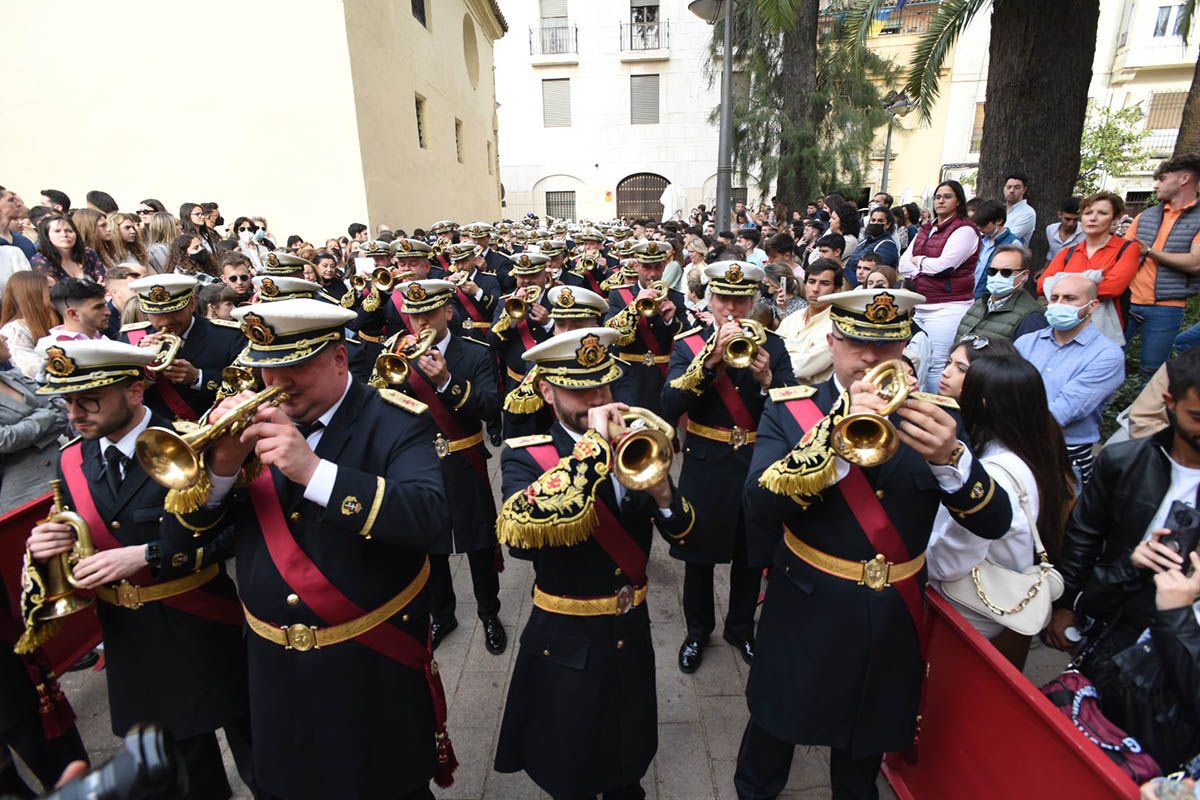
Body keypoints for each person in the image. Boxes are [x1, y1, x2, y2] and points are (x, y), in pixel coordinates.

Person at [165, 298, 453, 799]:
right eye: (265, 369)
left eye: (293, 366)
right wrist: (221, 469)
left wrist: (315, 473)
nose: (275, 384)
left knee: (390, 785)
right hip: (276, 667)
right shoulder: (245, 428)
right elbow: (180, 541)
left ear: (339, 358)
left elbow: (429, 519)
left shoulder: (397, 420)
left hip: (370, 661)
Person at [736, 287, 1013, 799]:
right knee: (773, 733)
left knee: (861, 754)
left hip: (889, 619)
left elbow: (995, 522)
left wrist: (952, 460)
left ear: (905, 344)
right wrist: (831, 445)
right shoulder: (791, 413)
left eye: (885, 346)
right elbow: (758, 506)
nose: (869, 358)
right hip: (806, 607)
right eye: (855, 342)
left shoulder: (937, 420)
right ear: (832, 340)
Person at [23, 339, 254, 800]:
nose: (75, 414)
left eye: (89, 400)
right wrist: (49, 546)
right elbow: (83, 535)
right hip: (132, 641)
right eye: (68, 401)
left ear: (134, 390)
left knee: (260, 757)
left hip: (204, 624)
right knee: (188, 778)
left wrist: (148, 554)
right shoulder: (72, 458)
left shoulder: (190, 443)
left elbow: (235, 534)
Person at [494, 326, 696, 799]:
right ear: (546, 390)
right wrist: (591, 450)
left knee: (630, 745)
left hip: (631, 625)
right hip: (566, 635)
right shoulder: (528, 456)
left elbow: (687, 533)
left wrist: (664, 492)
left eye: (603, 385)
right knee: (572, 760)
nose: (596, 399)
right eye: (579, 390)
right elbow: (521, 541)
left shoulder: (635, 439)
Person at [1053, 347, 1200, 770]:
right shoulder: (1123, 462)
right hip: (1113, 627)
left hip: (1183, 653)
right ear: (1169, 403)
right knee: (1086, 739)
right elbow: (1083, 537)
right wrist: (1066, 606)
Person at [661, 261, 795, 673]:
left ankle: (740, 627)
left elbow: (793, 410)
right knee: (699, 555)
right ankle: (697, 630)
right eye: (724, 299)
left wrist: (769, 378)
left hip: (755, 462)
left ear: (753, 301)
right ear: (709, 299)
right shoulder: (688, 344)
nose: (732, 308)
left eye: (741, 299)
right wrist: (709, 360)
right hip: (705, 463)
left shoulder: (772, 344)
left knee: (750, 554)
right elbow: (669, 405)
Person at [372, 280, 506, 655]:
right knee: (430, 544)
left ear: (448, 312)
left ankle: (489, 613)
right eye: (414, 314)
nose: (419, 322)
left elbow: (490, 407)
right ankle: (442, 614)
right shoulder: (398, 352)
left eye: (429, 313)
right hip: (420, 461)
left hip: (464, 458)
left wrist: (446, 381)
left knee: (478, 542)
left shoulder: (476, 352)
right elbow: (382, 406)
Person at [927, 351, 1073, 668]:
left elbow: (948, 564)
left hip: (969, 610)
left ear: (981, 405)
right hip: (1001, 603)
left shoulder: (992, 474)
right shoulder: (1035, 451)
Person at [1016, 273, 1125, 488]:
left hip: (1064, 455)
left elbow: (1065, 412)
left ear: (1092, 306)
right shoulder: (1026, 342)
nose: (1059, 304)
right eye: (1054, 298)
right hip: (1015, 446)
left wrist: (1005, 422)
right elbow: (1002, 391)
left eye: (1069, 298)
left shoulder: (1106, 355)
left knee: (1056, 520)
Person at [120, 274, 245, 423]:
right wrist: (138, 360)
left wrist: (198, 377)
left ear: (192, 304)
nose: (166, 321)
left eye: (174, 312)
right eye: (157, 314)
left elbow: (246, 387)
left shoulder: (229, 336)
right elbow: (119, 394)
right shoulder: (131, 339)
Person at [899, 180, 981, 392]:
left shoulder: (965, 230)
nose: (941, 201)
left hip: (947, 307)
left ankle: (937, 409)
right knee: (913, 359)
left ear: (958, 201)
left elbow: (944, 267)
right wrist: (923, 265)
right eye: (937, 197)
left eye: (947, 196)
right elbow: (903, 263)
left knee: (937, 364)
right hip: (919, 304)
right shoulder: (926, 229)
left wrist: (919, 262)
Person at [1125, 154, 1200, 381]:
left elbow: (1196, 263)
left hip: (1167, 307)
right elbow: (1126, 253)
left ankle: (1145, 416)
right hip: (1128, 301)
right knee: (1105, 358)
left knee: (1153, 371)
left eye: (1162, 179)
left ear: (1183, 179)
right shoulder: (1146, 216)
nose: (1156, 185)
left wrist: (1149, 251)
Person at [1038, 191, 1140, 344]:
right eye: (1088, 213)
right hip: (1064, 327)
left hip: (1104, 332)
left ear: (1115, 219)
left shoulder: (1127, 249)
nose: (1093, 218)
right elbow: (1042, 285)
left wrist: (1062, 283)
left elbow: (1113, 288)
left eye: (1102, 213)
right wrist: (1092, 281)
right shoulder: (1068, 253)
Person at [605, 241, 688, 417]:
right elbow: (610, 335)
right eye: (646, 267)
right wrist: (634, 306)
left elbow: (688, 341)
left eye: (657, 267)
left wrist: (671, 320)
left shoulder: (676, 298)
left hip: (662, 377)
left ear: (664, 266)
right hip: (629, 377)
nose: (652, 274)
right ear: (636, 266)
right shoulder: (619, 295)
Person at [0, 331, 69, 509]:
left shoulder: (13, 377)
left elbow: (62, 410)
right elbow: (5, 440)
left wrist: (30, 435)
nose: (5, 337)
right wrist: (45, 415)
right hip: (24, 493)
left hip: (63, 473)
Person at [491, 252, 556, 439]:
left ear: (545, 275)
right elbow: (493, 343)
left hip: (553, 384)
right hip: (518, 384)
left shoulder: (558, 300)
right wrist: (510, 315)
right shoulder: (505, 303)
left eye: (533, 276)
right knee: (519, 443)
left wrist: (548, 323)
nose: (526, 281)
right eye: (521, 276)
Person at [956, 244, 1048, 343]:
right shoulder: (979, 304)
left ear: (1024, 275)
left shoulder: (1031, 317)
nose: (997, 276)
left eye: (1006, 272)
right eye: (992, 271)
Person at [774, 258, 841, 386]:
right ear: (805, 284)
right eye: (811, 282)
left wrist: (781, 358)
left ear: (836, 290)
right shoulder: (793, 318)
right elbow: (773, 350)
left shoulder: (837, 326)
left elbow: (802, 368)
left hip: (812, 399)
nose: (815, 289)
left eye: (824, 283)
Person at [38, 278, 111, 365]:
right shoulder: (51, 348)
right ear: (73, 314)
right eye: (98, 307)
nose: (108, 312)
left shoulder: (103, 339)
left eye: (105, 305)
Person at [0, 272, 58, 379]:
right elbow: (31, 370)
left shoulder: (61, 318)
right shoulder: (14, 330)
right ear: (33, 295)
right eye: (51, 289)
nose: (59, 293)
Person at [30, 215, 106, 284]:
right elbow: (55, 293)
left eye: (69, 231)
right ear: (47, 236)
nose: (64, 235)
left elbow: (103, 280)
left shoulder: (89, 253)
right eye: (57, 231)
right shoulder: (41, 260)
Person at [970, 199, 1021, 298]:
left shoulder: (1013, 244)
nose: (980, 228)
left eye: (983, 225)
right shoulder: (980, 240)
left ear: (999, 221)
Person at [845, 207, 899, 285]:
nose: (875, 223)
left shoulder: (888, 245)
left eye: (880, 221)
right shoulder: (864, 241)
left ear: (888, 224)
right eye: (873, 220)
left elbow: (874, 270)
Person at [1045, 197, 1085, 265]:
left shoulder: (1085, 233)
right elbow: (1052, 252)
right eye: (1067, 219)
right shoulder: (1050, 230)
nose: (1071, 224)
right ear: (1059, 215)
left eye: (1075, 220)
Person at [1003, 172, 1037, 245]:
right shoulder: (999, 209)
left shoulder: (1027, 213)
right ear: (1004, 188)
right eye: (1009, 187)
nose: (1011, 191)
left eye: (1017, 187)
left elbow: (1009, 239)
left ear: (1024, 190)